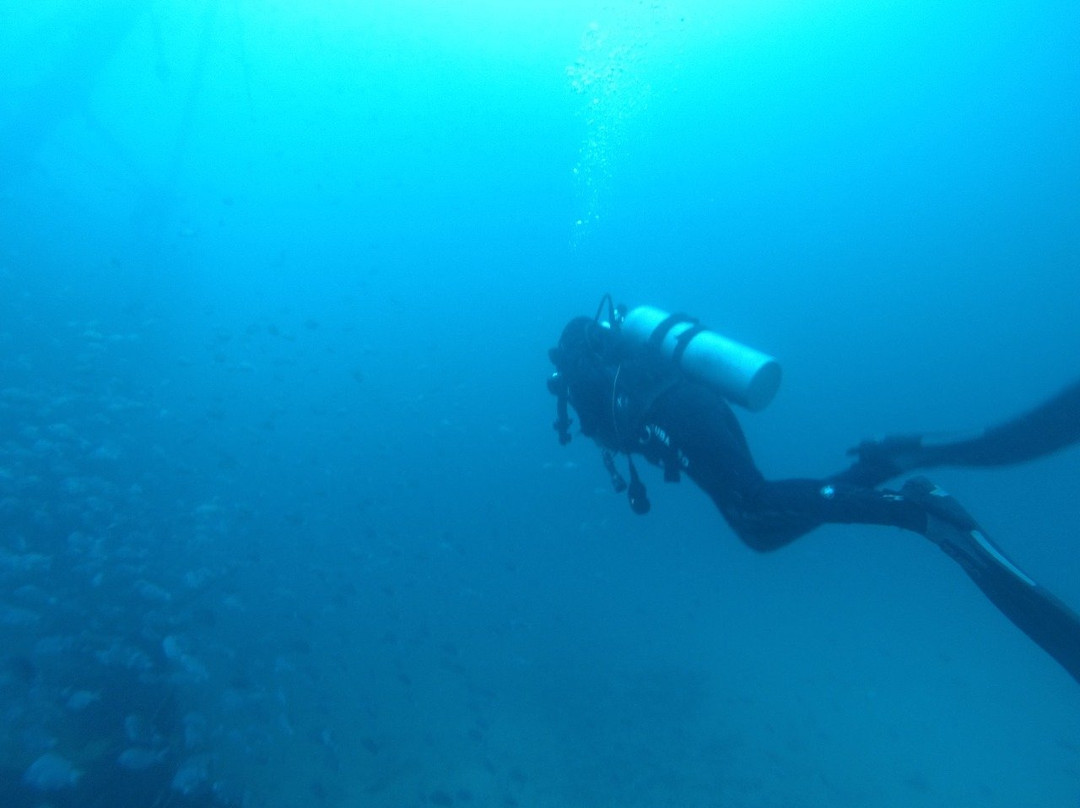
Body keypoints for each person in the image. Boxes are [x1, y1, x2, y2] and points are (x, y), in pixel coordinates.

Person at [546, 297, 1080, 683]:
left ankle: (918, 512)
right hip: (698, 407)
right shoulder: (616, 359)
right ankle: (887, 464)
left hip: (681, 417)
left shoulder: (581, 379)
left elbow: (610, 431)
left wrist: (577, 404)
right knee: (760, 534)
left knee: (754, 503)